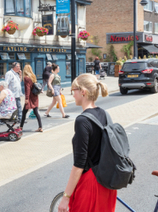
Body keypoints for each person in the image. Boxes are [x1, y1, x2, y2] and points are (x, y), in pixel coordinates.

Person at [57, 73, 113, 212]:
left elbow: (79, 165)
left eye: (73, 91)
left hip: (91, 185)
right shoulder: (104, 114)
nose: (72, 95)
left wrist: (66, 197)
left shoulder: (83, 121)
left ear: (83, 92)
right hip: (106, 182)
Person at [21, 65, 43, 132]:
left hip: (30, 97)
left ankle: (20, 127)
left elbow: (27, 89)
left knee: (24, 112)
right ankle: (40, 127)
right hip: (35, 96)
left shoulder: (26, 78)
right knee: (36, 112)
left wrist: (26, 98)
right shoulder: (33, 76)